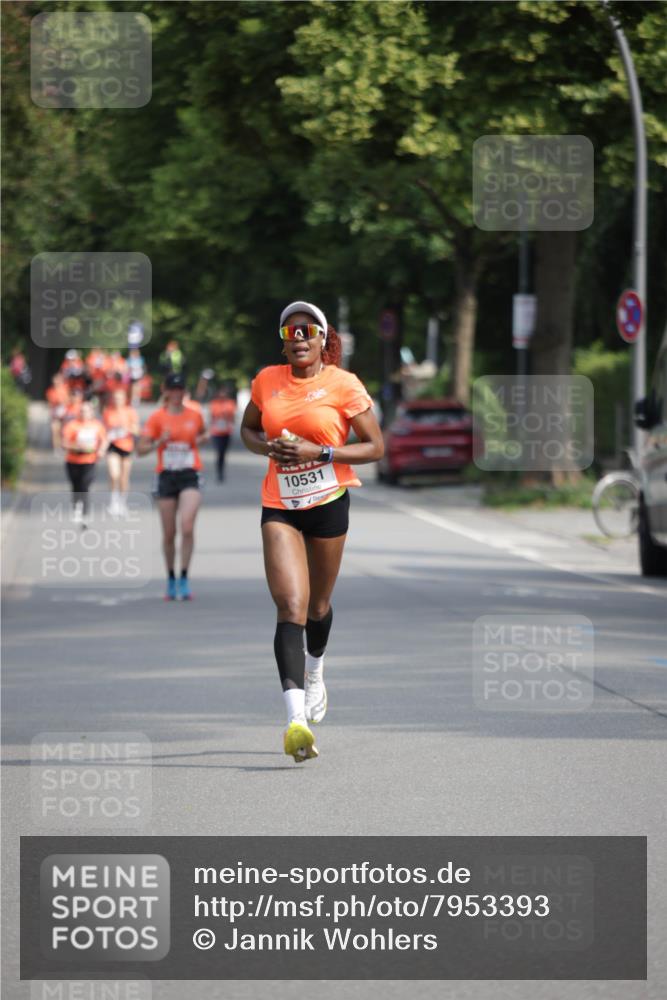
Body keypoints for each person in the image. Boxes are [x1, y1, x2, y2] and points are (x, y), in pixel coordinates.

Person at [240, 300, 384, 763]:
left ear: (323, 339)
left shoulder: (344, 385)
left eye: (307, 330)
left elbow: (374, 446)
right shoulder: (266, 381)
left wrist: (319, 453)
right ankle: (295, 721)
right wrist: (268, 448)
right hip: (279, 503)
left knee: (319, 606)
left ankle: (316, 668)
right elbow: (247, 429)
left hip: (327, 502)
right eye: (290, 330)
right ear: (283, 341)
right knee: (291, 606)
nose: (298, 336)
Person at [137, 372, 208, 601]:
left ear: (184, 392)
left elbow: (204, 433)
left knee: (187, 526)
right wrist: (159, 441)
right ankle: (170, 578)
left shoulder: (194, 415)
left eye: (180, 390)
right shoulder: (157, 418)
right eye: (172, 390)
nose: (176, 394)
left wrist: (200, 440)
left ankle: (184, 577)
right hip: (166, 475)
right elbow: (140, 450)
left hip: (190, 474)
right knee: (169, 533)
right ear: (165, 392)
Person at [61, 399, 107, 527]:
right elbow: (64, 443)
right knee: (76, 486)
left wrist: (101, 450)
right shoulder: (72, 425)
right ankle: (76, 509)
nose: (83, 413)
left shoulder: (97, 425)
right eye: (81, 411)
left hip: (90, 460)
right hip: (73, 460)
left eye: (86, 411)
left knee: (85, 486)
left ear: (92, 412)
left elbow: (104, 440)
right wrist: (77, 447)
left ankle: (85, 514)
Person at [102, 387, 139, 516]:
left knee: (124, 477)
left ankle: (122, 503)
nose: (117, 400)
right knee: (114, 474)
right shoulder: (108, 412)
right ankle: (113, 501)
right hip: (113, 446)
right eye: (115, 398)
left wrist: (126, 428)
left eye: (120, 398)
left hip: (127, 446)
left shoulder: (130, 412)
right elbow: (104, 430)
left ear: (124, 399)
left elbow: (137, 430)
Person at [209, 386, 237, 482]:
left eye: (224, 393)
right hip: (216, 432)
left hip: (226, 432)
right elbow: (212, 417)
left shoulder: (230, 403)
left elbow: (233, 418)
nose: (222, 395)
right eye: (221, 393)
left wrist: (227, 417)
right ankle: (219, 472)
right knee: (219, 452)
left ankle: (221, 470)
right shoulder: (214, 403)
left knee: (223, 453)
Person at [45, 373, 70, 450]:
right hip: (55, 411)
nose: (57, 382)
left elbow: (68, 401)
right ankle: (56, 447)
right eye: (55, 381)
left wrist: (62, 402)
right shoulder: (50, 391)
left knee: (63, 430)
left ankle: (64, 445)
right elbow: (49, 403)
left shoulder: (65, 389)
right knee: (55, 430)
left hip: (64, 410)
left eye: (58, 381)